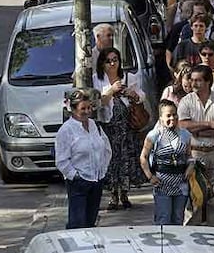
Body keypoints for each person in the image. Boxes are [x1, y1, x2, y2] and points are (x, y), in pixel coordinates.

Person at [93, 47, 147, 210]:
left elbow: (141, 96)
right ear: (102, 63)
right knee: (111, 161)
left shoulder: (128, 77)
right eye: (108, 60)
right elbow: (96, 103)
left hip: (126, 128)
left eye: (115, 59)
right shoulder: (96, 80)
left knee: (125, 159)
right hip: (108, 128)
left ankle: (124, 193)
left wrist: (132, 94)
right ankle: (113, 196)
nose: (112, 63)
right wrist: (111, 91)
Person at [178, 64, 214, 226]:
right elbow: (182, 126)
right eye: (192, 80)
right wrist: (211, 124)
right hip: (194, 154)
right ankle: (191, 236)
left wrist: (197, 130)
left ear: (208, 81)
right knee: (194, 198)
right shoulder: (186, 101)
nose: (194, 84)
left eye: (198, 80)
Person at [55, 89, 112, 230]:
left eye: (89, 108)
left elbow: (106, 148)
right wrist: (76, 177)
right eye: (83, 109)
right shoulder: (66, 130)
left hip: (96, 181)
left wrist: (102, 171)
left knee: (90, 222)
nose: (87, 111)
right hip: (78, 183)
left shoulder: (94, 125)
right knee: (77, 223)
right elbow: (61, 160)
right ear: (73, 110)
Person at [140, 100, 195, 225]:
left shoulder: (185, 135)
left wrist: (191, 165)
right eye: (168, 115)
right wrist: (150, 176)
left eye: (174, 114)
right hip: (162, 183)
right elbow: (143, 157)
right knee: (163, 218)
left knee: (178, 218)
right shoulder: (154, 135)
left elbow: (189, 156)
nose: (172, 118)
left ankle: (178, 244)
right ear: (161, 118)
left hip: (181, 183)